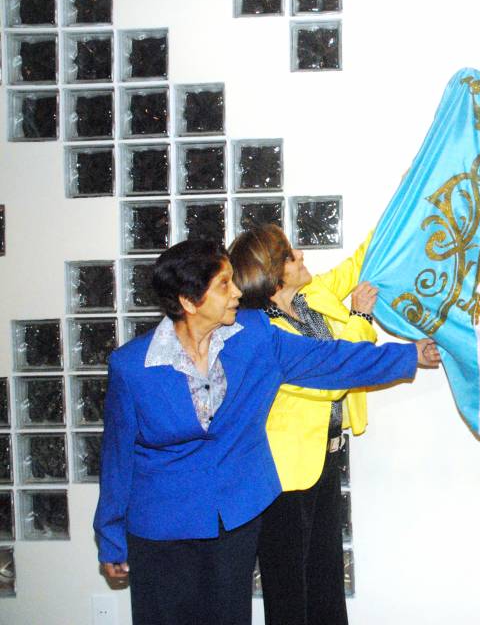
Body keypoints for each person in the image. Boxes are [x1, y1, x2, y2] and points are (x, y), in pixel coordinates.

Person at [93, 239, 440, 625]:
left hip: (234, 520)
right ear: (189, 302)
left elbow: (330, 360)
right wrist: (110, 537)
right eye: (224, 284)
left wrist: (409, 355)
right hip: (161, 529)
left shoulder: (255, 336)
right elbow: (117, 458)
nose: (237, 292)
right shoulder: (132, 367)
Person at [227, 224, 374, 625]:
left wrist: (408, 200)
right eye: (291, 256)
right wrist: (361, 318)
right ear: (274, 274)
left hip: (325, 460)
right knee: (289, 589)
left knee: (326, 578)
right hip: (284, 475)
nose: (302, 256)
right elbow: (332, 377)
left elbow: (359, 261)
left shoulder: (311, 296)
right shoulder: (265, 333)